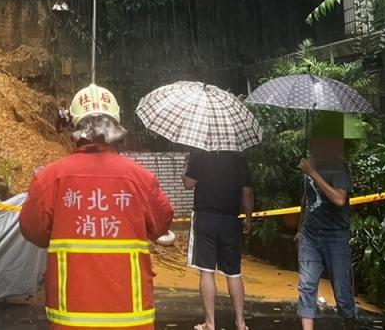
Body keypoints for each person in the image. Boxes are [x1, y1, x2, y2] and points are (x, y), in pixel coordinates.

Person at [20, 84, 174, 330]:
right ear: (116, 125)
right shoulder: (140, 179)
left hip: (71, 317)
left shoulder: (50, 179)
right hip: (130, 318)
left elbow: (32, 230)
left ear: (73, 125)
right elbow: (161, 223)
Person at [183, 150, 254, 330]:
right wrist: (248, 218)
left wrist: (186, 166)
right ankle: (240, 322)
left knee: (206, 271)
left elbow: (188, 184)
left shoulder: (201, 156)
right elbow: (247, 193)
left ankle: (210, 323)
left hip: (205, 219)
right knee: (234, 273)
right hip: (230, 220)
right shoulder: (239, 160)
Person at [296, 136, 357, 329]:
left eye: (318, 145)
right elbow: (306, 199)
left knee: (342, 294)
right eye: (312, 145)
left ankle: (350, 322)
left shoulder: (338, 167)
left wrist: (313, 173)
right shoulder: (309, 164)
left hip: (336, 236)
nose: (315, 150)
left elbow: (339, 199)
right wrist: (299, 229)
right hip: (310, 234)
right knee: (306, 285)